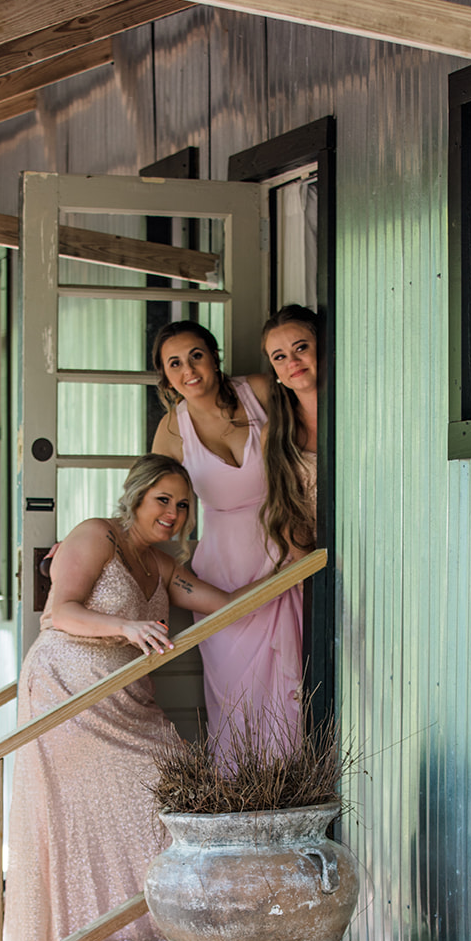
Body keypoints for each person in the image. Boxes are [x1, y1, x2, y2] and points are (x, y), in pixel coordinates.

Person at [3, 454, 265, 941]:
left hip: (126, 701)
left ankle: (148, 932)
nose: (172, 513)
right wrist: (125, 625)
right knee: (72, 820)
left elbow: (225, 606)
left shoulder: (163, 567)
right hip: (65, 692)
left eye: (183, 505)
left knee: (175, 783)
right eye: (162, 500)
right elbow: (59, 612)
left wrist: (282, 572)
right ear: (137, 498)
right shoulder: (97, 536)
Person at [150, 320, 304, 758]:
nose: (188, 370)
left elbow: (310, 433)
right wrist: (108, 544)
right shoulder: (172, 430)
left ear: (214, 357)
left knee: (287, 685)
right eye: (174, 363)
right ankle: (242, 795)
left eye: (196, 355)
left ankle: (289, 788)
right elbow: (148, 499)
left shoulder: (258, 390)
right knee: (235, 689)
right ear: (166, 376)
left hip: (281, 544)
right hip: (222, 567)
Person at [260, 303, 320, 562]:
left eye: (301, 347)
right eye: (280, 357)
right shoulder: (275, 433)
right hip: (328, 563)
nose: (293, 361)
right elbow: (289, 517)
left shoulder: (361, 412)